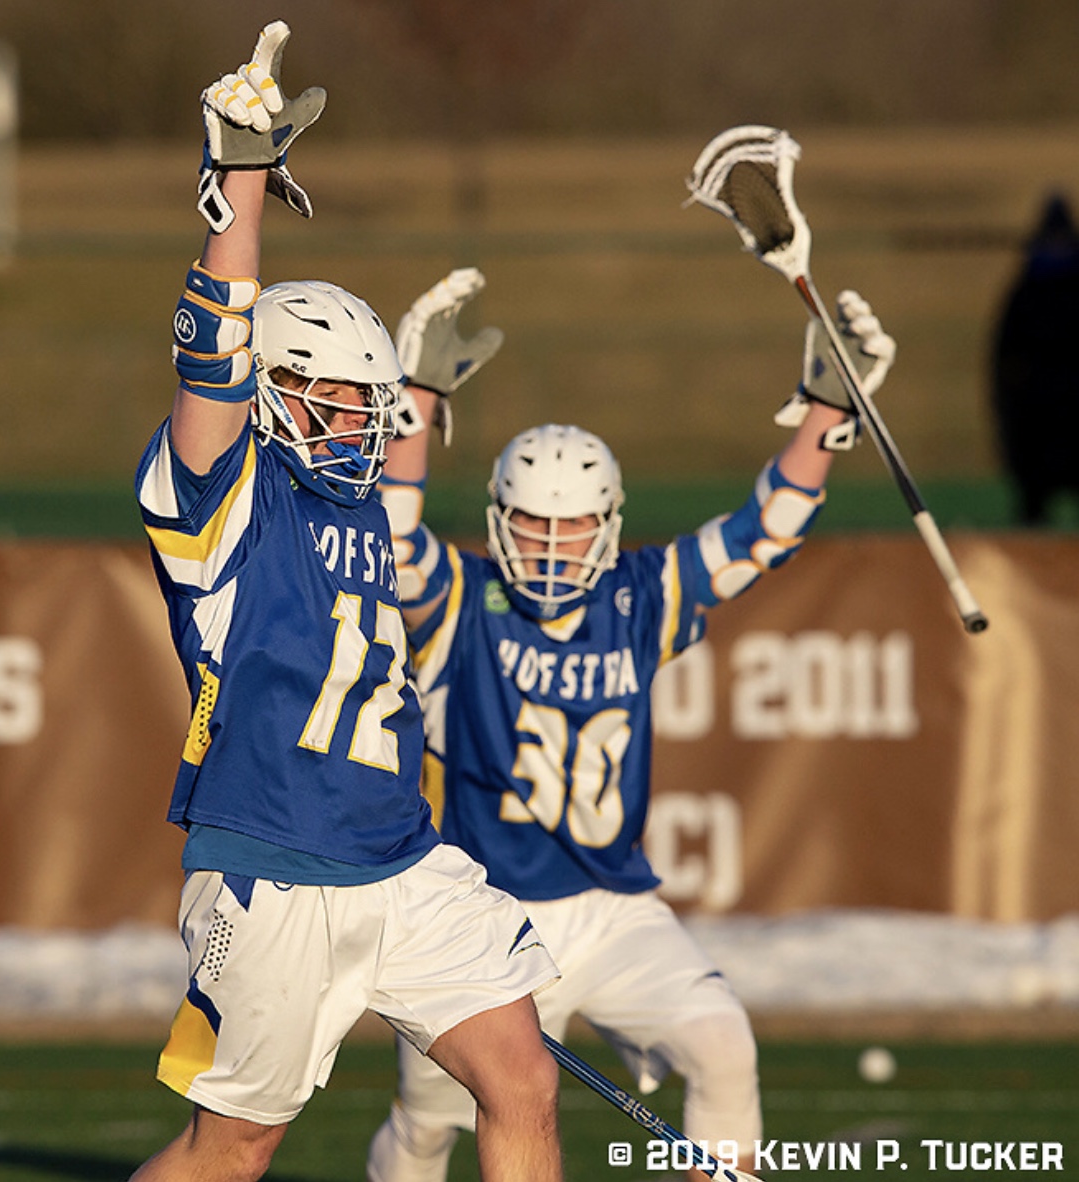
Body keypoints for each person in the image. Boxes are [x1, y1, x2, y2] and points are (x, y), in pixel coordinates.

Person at [131, 25, 562, 1182]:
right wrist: (243, 192)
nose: (354, 425)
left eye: (364, 405)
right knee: (234, 1150)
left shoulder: (358, 506)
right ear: (269, 392)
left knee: (522, 1079)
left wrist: (416, 389)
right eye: (328, 399)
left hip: (399, 856)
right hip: (273, 863)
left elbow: (393, 487)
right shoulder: (220, 499)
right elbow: (208, 370)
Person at [366, 270, 896, 1181]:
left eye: (572, 530)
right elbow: (394, 539)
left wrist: (821, 416)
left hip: (612, 912)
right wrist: (413, 403)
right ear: (499, 523)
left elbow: (764, 531)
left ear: (609, 528)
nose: (551, 548)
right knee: (429, 1126)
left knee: (724, 1045)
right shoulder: (467, 598)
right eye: (531, 528)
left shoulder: (639, 597)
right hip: (480, 922)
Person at [991, 192, 1079, 525]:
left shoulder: (1027, 290)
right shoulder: (1026, 292)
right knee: (1033, 507)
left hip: (1055, 413)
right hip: (1038, 418)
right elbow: (1004, 363)